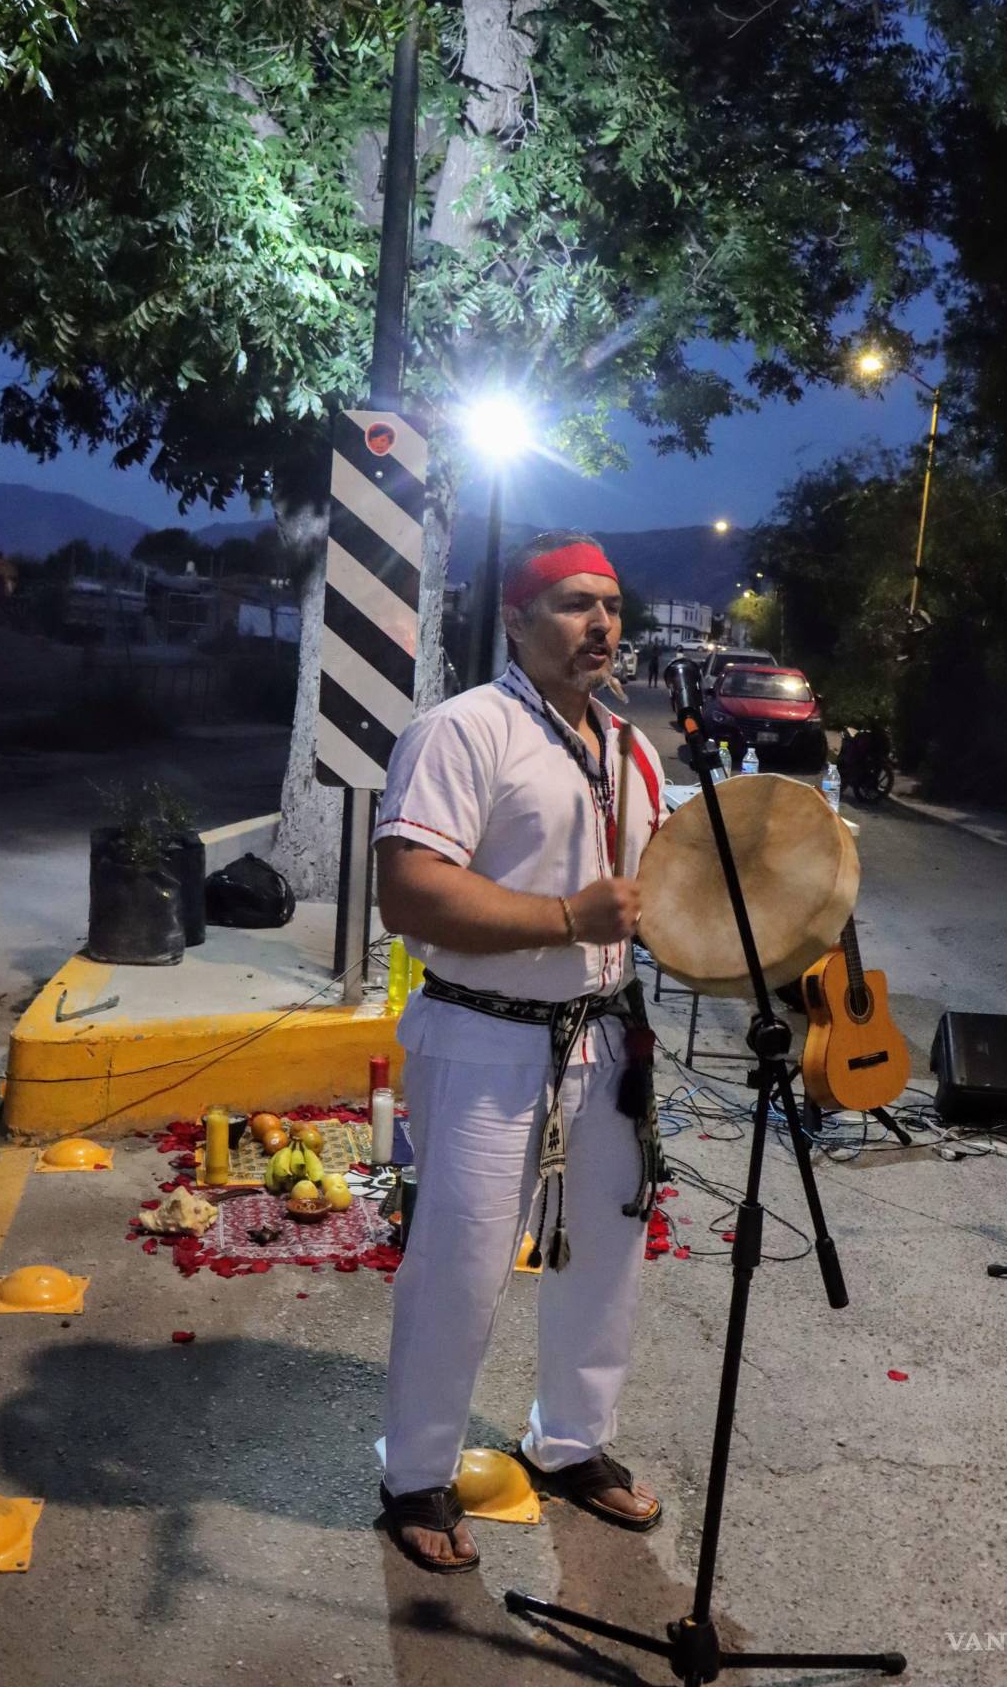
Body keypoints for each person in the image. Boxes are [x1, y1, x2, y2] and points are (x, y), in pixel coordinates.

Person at [372, 529, 667, 1574]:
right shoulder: (463, 730)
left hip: (606, 1039)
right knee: (460, 1263)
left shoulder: (630, 749)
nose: (601, 624)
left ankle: (570, 1441)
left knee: (605, 1251)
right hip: (483, 1037)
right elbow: (409, 890)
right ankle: (416, 1472)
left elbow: (658, 896)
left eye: (612, 605)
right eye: (576, 603)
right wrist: (566, 917)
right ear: (515, 617)